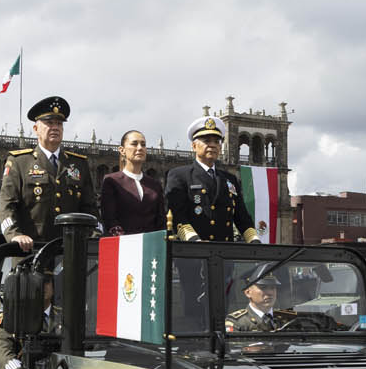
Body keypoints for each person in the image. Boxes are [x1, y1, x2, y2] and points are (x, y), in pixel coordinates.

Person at [0, 95, 99, 250]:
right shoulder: (19, 162)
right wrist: (14, 235)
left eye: (59, 123)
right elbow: (7, 206)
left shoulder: (78, 164)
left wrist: (94, 236)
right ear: (36, 129)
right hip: (31, 250)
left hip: (70, 252)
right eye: (49, 123)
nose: (55, 127)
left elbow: (89, 208)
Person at [165, 115, 260, 243]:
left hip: (225, 252)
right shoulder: (179, 175)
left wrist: (254, 240)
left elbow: (242, 216)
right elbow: (177, 214)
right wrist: (194, 240)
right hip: (193, 251)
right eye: (207, 141)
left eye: (216, 141)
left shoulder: (230, 179)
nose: (212, 145)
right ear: (194, 146)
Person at [99, 129, 165, 236]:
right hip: (123, 246)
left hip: (151, 247)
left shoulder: (155, 185)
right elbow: (110, 219)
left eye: (143, 145)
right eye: (134, 144)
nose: (140, 148)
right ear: (122, 150)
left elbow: (161, 222)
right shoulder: (111, 181)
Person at [225, 270, 290, 332]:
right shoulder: (237, 322)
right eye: (263, 287)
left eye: (272, 288)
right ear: (248, 292)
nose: (270, 292)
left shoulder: (286, 318)